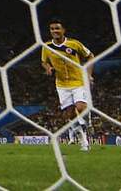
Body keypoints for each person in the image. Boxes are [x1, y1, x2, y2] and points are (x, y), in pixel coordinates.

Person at [41, 18, 94, 151]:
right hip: (62, 85)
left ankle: (88, 122)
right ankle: (84, 142)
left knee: (80, 107)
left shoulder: (74, 44)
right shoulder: (47, 46)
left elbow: (90, 56)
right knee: (69, 115)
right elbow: (43, 61)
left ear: (63, 30)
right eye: (52, 29)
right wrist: (48, 68)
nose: (55, 31)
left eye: (57, 28)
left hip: (78, 81)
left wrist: (88, 74)